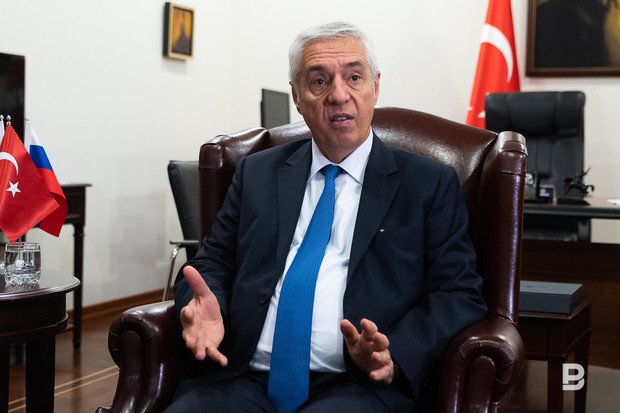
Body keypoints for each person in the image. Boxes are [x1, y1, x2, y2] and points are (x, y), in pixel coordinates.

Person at [165, 22, 486, 413]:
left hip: (358, 385)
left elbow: (458, 292)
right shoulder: (257, 173)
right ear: (297, 97)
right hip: (243, 375)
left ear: (375, 87)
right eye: (318, 81)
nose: (338, 95)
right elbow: (212, 263)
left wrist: (394, 352)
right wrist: (205, 305)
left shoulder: (427, 183)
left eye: (354, 77)